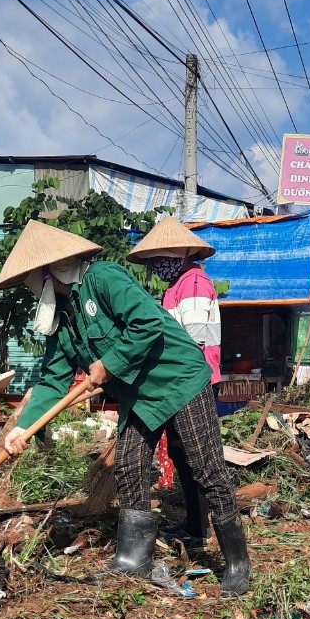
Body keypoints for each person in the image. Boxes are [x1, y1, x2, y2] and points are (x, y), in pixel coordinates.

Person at [0, 220, 250, 596]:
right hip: (141, 398)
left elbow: (146, 323)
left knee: (205, 466)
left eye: (31, 280)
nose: (31, 290)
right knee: (130, 465)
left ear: (49, 273)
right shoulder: (62, 320)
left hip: (179, 380)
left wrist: (108, 364)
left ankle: (237, 562)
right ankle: (134, 559)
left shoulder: (103, 279)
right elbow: (53, 380)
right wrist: (23, 428)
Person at [126, 216, 222, 548]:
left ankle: (201, 530)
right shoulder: (177, 285)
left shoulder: (193, 283)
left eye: (160, 259)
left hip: (192, 379)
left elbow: (190, 339)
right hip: (181, 381)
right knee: (184, 457)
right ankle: (196, 524)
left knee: (197, 458)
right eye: (153, 261)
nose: (156, 266)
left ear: (181, 253)